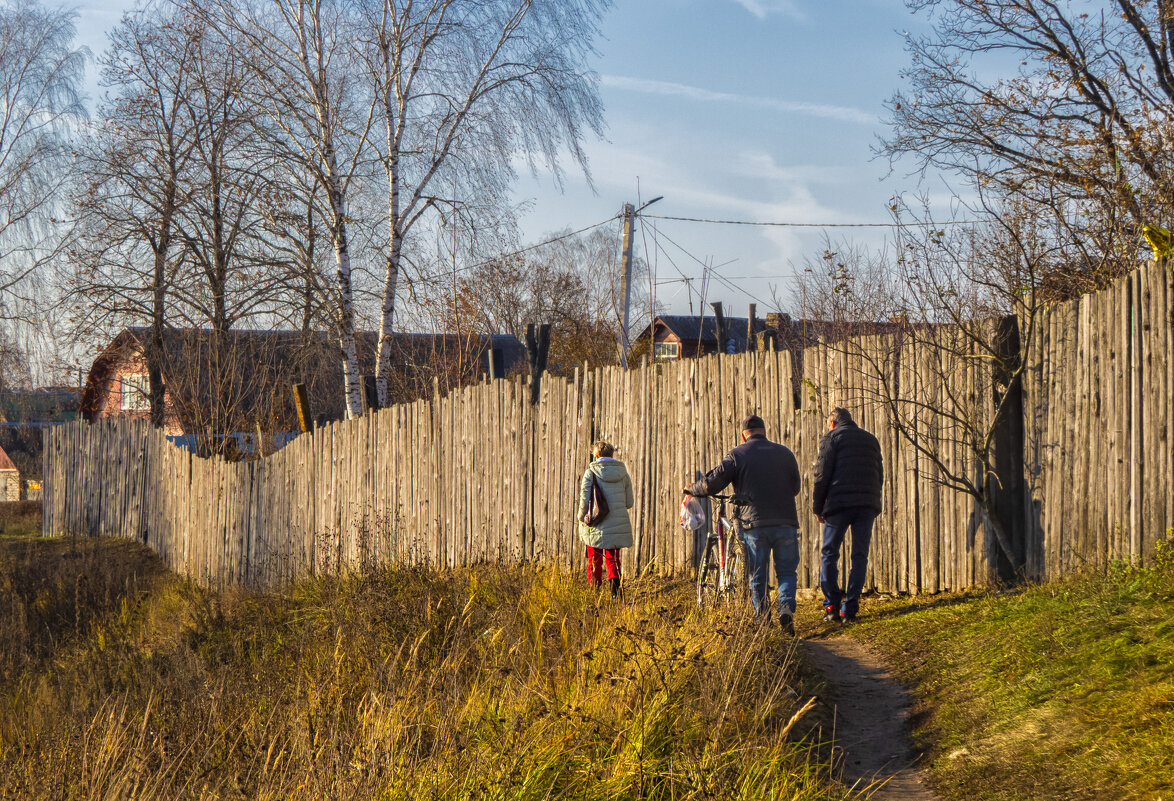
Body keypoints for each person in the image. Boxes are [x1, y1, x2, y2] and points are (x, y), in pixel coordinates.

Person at [686, 414, 802, 634]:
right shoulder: (785, 453)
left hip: (754, 524)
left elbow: (712, 483)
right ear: (764, 432)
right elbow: (795, 487)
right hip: (785, 521)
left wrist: (692, 489)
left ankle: (763, 619)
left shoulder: (738, 454)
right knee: (787, 571)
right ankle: (785, 606)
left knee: (758, 573)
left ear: (743, 435)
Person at [813, 406, 883, 623]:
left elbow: (821, 474)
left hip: (839, 504)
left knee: (829, 553)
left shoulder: (832, 437)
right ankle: (849, 609)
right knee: (859, 556)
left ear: (832, 423)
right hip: (866, 505)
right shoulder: (871, 439)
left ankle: (832, 605)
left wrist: (817, 507)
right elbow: (879, 474)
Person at [577, 440, 635, 599]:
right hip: (616, 524)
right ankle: (617, 595)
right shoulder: (623, 474)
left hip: (595, 523)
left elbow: (584, 500)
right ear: (611, 455)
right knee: (613, 559)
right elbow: (629, 503)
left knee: (594, 560)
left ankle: (594, 594)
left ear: (596, 455)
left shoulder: (591, 472)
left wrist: (581, 518)